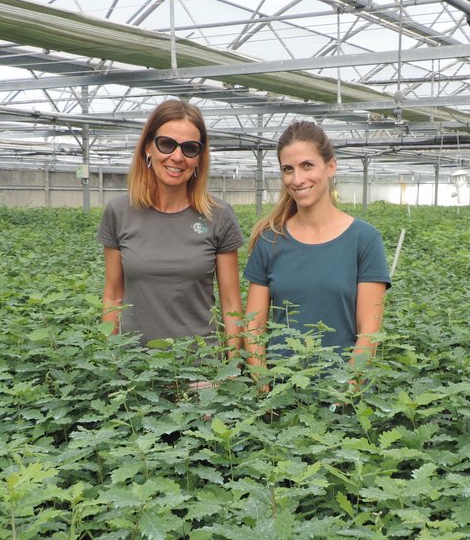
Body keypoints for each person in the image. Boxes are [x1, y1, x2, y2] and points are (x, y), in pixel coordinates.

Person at [243, 120, 390, 376]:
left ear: (331, 167)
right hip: (281, 387)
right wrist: (262, 382)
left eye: (307, 165)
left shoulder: (364, 240)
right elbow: (253, 326)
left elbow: (369, 332)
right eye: (288, 169)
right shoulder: (269, 240)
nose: (297, 179)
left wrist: (347, 388)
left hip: (343, 390)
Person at [96, 99, 244, 352]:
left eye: (190, 148)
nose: (177, 157)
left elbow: (231, 305)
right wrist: (110, 361)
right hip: (135, 367)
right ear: (148, 148)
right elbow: (113, 296)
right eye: (166, 144)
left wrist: (232, 366)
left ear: (199, 158)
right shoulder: (119, 212)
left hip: (200, 365)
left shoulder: (218, 215)